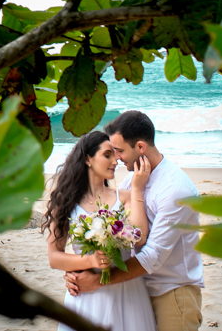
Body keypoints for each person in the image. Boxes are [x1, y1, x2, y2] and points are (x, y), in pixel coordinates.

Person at [65, 111, 204, 331]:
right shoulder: (133, 179)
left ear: (140, 147)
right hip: (136, 290)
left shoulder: (176, 189)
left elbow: (153, 256)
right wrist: (82, 269)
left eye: (119, 151)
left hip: (171, 293)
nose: (116, 158)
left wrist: (97, 281)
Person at [44, 129, 155, 331]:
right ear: (88, 159)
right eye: (107, 155)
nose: (115, 161)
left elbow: (140, 238)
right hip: (85, 295)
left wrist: (138, 188)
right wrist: (89, 261)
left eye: (115, 154)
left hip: (126, 294)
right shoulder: (66, 203)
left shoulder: (126, 197)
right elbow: (54, 257)